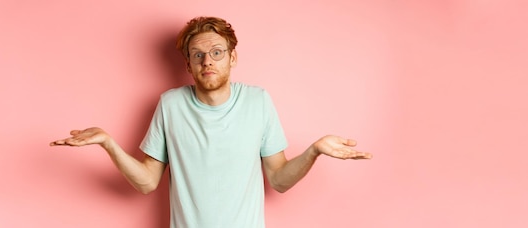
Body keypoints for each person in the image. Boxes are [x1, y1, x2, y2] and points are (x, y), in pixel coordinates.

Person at [50, 16, 373, 228]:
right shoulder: (170, 104)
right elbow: (147, 182)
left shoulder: (257, 101)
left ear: (232, 57)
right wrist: (108, 143)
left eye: (217, 52)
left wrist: (314, 150)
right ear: (188, 64)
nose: (208, 61)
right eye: (198, 55)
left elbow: (279, 180)